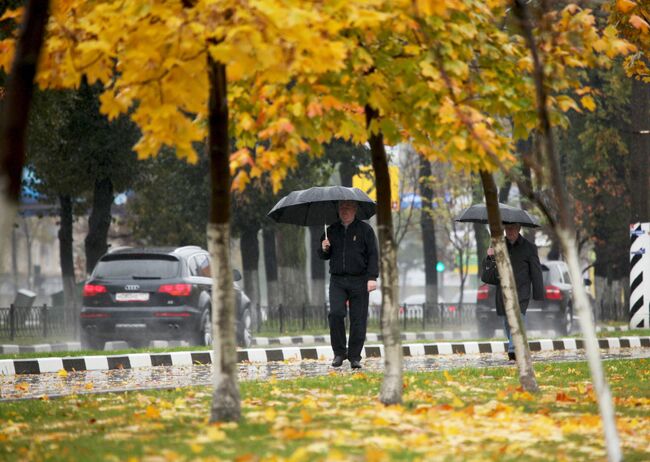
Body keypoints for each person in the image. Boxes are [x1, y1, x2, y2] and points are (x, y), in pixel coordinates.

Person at [318, 200, 379, 369]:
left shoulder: (365, 230)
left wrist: (372, 277)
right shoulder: (330, 230)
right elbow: (323, 255)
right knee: (336, 314)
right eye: (342, 208)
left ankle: (354, 357)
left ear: (355, 210)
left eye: (348, 208)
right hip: (337, 280)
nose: (345, 211)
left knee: (358, 319)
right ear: (338, 210)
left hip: (359, 280)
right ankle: (339, 353)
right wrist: (324, 248)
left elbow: (373, 255)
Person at [481, 222, 544, 361]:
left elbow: (536, 272)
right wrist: (490, 257)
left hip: (521, 292)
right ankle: (517, 347)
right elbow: (487, 277)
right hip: (503, 293)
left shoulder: (529, 248)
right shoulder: (498, 246)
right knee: (507, 323)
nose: (510, 231)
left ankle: (512, 351)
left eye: (513, 228)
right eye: (507, 228)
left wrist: (538, 293)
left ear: (519, 229)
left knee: (517, 319)